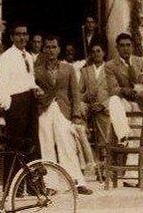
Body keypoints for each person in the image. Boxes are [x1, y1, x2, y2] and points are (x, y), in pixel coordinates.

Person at [35, 35, 93, 195]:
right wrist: (38, 96)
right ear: (43, 49)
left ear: (59, 49)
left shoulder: (68, 69)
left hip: (63, 110)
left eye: (54, 47)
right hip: (45, 110)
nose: (51, 50)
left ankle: (77, 181)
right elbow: (33, 91)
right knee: (46, 145)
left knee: (67, 145)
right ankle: (51, 184)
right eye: (47, 47)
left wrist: (76, 115)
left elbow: (75, 93)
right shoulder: (37, 70)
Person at [0, 23, 40, 188]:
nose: (22, 37)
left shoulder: (27, 56)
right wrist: (9, 105)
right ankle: (13, 186)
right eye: (18, 34)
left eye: (25, 34)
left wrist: (35, 89)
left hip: (30, 103)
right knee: (14, 145)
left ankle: (34, 186)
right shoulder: (6, 57)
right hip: (16, 104)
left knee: (31, 144)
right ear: (12, 37)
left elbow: (29, 80)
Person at [106, 32, 143, 113]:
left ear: (132, 47)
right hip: (123, 103)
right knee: (113, 100)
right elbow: (112, 89)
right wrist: (125, 91)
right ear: (117, 48)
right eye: (122, 45)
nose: (125, 48)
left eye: (128, 45)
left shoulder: (141, 62)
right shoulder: (110, 66)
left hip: (142, 103)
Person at [79, 42, 113, 147]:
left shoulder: (111, 69)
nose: (96, 54)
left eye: (98, 51)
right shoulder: (85, 71)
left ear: (104, 53)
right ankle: (85, 136)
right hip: (90, 106)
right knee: (80, 107)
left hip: (104, 107)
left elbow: (115, 92)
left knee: (104, 117)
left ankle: (104, 150)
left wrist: (103, 105)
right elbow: (79, 92)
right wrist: (85, 97)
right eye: (93, 52)